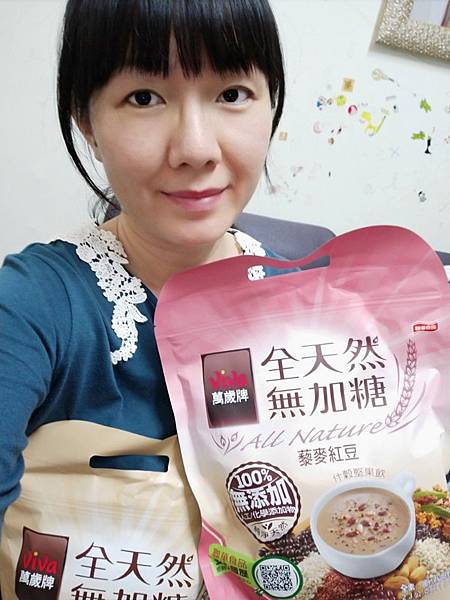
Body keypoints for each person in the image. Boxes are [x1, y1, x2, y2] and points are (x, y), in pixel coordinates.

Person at [0, 0, 285, 596]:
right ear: (86, 121)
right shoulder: (33, 305)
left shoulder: (315, 311)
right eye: (145, 97)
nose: (196, 148)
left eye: (232, 93)